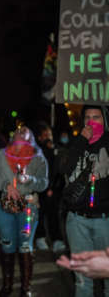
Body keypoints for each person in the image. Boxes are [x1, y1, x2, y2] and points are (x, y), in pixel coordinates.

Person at [0, 125, 48, 297]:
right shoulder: (1, 155)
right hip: (4, 207)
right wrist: (5, 186)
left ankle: (25, 287)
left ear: (31, 138)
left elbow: (44, 182)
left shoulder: (38, 157)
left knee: (25, 245)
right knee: (7, 243)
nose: (21, 136)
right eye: (18, 133)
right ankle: (7, 285)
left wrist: (30, 180)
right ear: (13, 137)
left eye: (25, 133)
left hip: (28, 208)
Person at [59, 105, 109, 297]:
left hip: (105, 220)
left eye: (96, 117)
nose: (91, 121)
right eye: (87, 117)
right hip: (77, 220)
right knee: (82, 279)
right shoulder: (77, 142)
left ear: (105, 120)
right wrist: (81, 141)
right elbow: (64, 169)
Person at [34, 121, 66, 253]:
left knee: (53, 214)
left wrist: (54, 187)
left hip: (55, 187)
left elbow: (59, 169)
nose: (49, 137)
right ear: (40, 137)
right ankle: (40, 238)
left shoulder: (56, 149)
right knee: (40, 214)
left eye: (50, 134)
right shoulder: (37, 151)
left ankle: (57, 240)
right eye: (45, 135)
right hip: (41, 188)